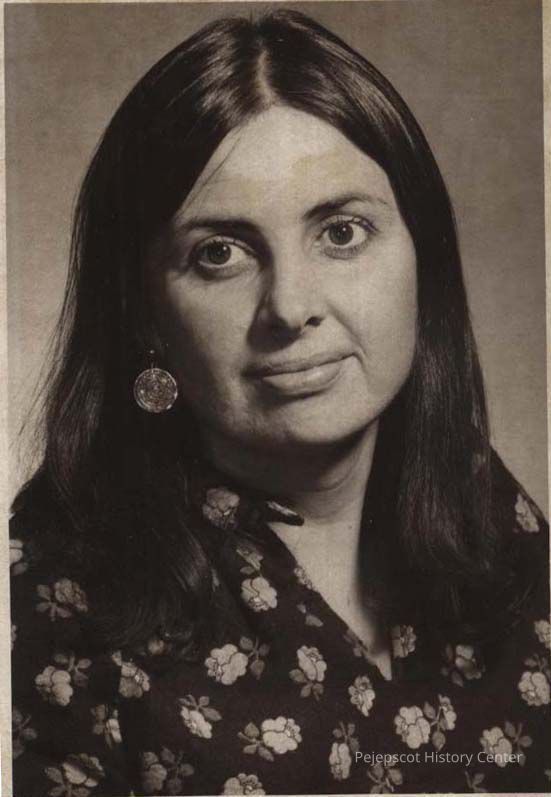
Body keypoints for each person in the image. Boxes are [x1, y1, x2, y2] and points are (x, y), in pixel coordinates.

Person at [9, 8, 550, 796]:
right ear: (143, 315)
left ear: (421, 258)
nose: (291, 307)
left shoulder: (496, 520)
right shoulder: (50, 602)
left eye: (341, 233)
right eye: (219, 253)